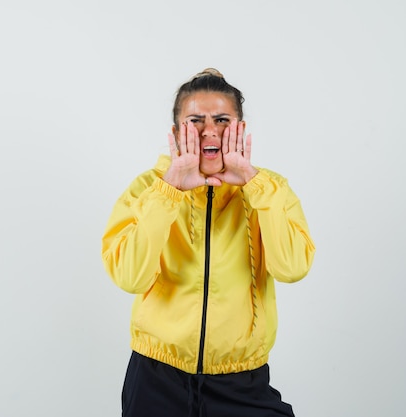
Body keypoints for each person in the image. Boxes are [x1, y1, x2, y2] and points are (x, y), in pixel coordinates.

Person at [101, 68, 315, 417]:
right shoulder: (147, 189)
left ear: (240, 128)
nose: (209, 130)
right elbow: (129, 277)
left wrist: (252, 182)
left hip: (242, 382)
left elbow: (292, 268)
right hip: (156, 378)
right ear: (175, 132)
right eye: (195, 120)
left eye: (221, 119)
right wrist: (169, 190)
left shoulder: (270, 189)